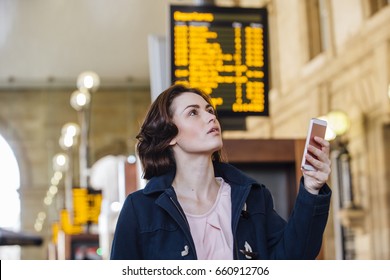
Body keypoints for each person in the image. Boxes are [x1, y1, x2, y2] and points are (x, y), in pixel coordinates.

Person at [110, 84, 332, 260]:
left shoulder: (253, 197)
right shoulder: (140, 209)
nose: (210, 117)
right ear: (170, 136)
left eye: (209, 110)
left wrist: (312, 189)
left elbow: (294, 257)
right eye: (193, 113)